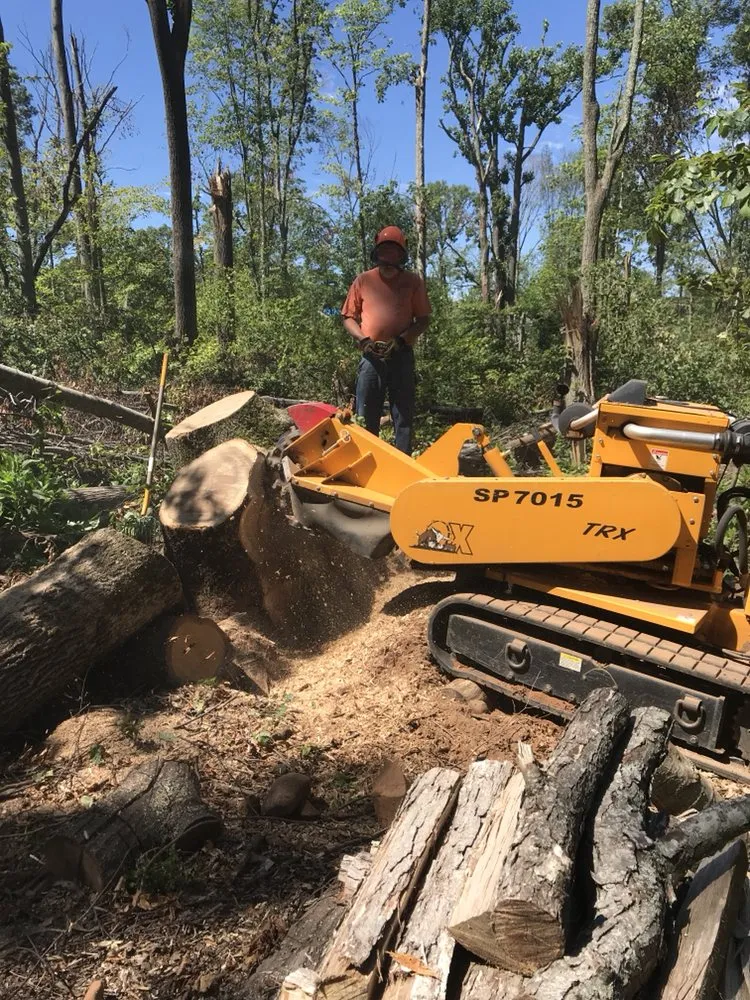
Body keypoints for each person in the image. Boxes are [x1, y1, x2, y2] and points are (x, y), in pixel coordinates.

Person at [341, 226, 431, 455]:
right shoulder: (363, 281)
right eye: (384, 253)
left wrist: (401, 340)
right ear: (377, 253)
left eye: (393, 253)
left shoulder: (412, 282)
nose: (388, 259)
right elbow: (348, 318)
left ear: (401, 255)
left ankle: (403, 463)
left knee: (403, 416)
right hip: (371, 357)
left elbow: (423, 319)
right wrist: (363, 340)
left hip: (401, 356)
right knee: (365, 415)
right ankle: (367, 462)